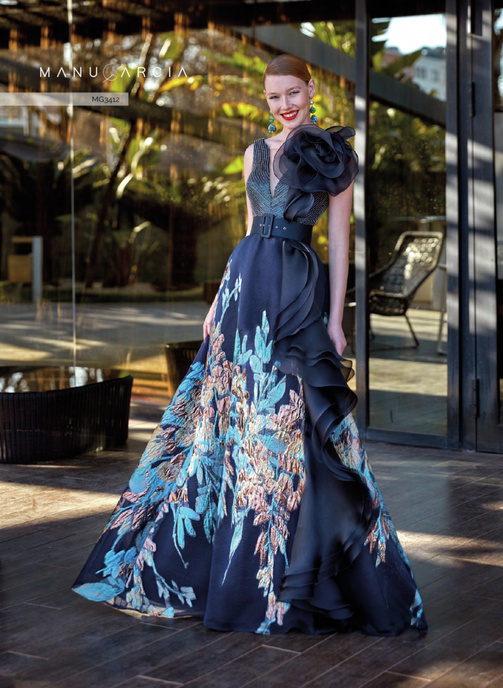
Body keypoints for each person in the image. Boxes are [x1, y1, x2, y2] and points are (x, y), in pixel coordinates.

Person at [73, 54, 427, 636]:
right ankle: (232, 567)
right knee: (229, 430)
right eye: (274, 97)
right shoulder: (252, 155)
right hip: (245, 290)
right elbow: (247, 229)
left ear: (311, 89)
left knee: (294, 432)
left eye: (293, 92)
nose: (284, 105)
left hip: (294, 292)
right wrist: (218, 302)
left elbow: (340, 244)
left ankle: (290, 576)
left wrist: (336, 322)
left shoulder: (333, 157)